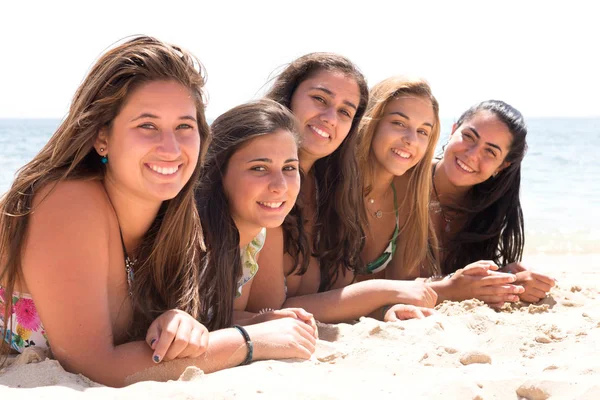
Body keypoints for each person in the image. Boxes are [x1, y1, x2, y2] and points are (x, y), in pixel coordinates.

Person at [0, 37, 315, 387]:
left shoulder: (172, 222)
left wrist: (187, 323)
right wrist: (250, 341)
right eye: (147, 126)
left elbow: (145, 339)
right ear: (101, 137)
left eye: (184, 126)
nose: (171, 148)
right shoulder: (68, 202)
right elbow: (93, 365)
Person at [247, 54, 437, 323]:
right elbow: (266, 314)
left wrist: (382, 309)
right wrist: (383, 292)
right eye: (320, 99)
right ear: (289, 96)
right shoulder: (264, 186)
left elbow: (333, 296)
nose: (330, 118)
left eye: (345, 112)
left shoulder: (336, 190)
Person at [195, 99, 317, 331]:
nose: (280, 186)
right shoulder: (192, 240)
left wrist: (260, 320)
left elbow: (216, 319)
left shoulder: (254, 236)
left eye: (289, 168)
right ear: (219, 172)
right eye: (259, 168)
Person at [427, 100, 555, 306]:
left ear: (502, 165)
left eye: (491, 151)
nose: (472, 155)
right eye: (468, 137)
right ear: (453, 130)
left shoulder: (487, 209)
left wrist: (507, 280)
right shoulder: (407, 182)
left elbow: (456, 277)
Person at [355, 76, 441, 282]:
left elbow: (404, 285)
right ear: (371, 122)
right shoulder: (335, 185)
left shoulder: (407, 195)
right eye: (399, 123)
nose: (411, 140)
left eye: (422, 131)